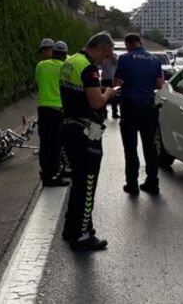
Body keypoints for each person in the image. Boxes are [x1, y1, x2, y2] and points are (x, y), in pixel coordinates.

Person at [59, 31, 119, 252]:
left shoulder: (70, 62)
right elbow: (95, 103)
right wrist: (108, 93)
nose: (107, 58)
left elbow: (78, 95)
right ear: (102, 47)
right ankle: (83, 235)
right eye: (108, 53)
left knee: (78, 182)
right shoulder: (89, 68)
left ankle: (70, 229)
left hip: (68, 126)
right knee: (87, 185)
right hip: (85, 133)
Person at [113, 33, 165, 195]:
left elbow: (116, 83)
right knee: (149, 146)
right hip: (148, 108)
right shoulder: (154, 60)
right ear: (140, 42)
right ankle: (152, 182)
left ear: (129, 44)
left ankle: (132, 184)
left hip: (129, 107)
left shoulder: (125, 59)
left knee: (130, 147)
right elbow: (159, 84)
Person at [34, 41, 69, 187]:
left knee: (45, 143)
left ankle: (46, 172)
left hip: (43, 109)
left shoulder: (40, 66)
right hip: (58, 109)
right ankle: (54, 176)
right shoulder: (65, 67)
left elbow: (37, 82)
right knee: (56, 144)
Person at [100, 51, 119, 119]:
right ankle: (104, 113)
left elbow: (116, 62)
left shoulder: (114, 55)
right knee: (104, 96)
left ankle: (115, 113)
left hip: (112, 78)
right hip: (104, 78)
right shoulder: (103, 56)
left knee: (114, 97)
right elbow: (101, 64)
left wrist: (111, 55)